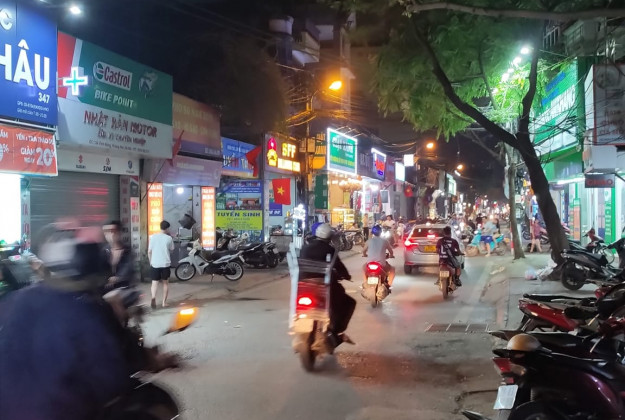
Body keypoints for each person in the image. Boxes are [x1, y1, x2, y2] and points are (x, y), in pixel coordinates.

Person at [0, 223, 177, 420]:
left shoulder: (19, 299)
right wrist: (149, 359)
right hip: (57, 412)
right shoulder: (88, 313)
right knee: (151, 403)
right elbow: (113, 375)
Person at [300, 223, 355, 347]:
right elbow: (339, 267)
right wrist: (346, 276)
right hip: (323, 285)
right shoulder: (330, 250)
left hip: (303, 285)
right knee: (349, 302)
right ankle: (336, 330)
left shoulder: (305, 248)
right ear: (330, 237)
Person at [102, 221, 135, 291]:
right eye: (106, 231)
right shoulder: (103, 251)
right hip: (105, 290)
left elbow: (128, 269)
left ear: (119, 232)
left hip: (123, 288)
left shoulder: (127, 251)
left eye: (113, 231)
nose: (110, 234)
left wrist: (118, 278)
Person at [148, 220, 174, 309]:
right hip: (165, 263)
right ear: (167, 228)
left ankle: (153, 297)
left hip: (155, 263)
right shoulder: (169, 238)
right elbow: (172, 250)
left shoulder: (153, 237)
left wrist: (151, 261)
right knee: (165, 283)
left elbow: (149, 251)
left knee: (154, 283)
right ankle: (164, 303)